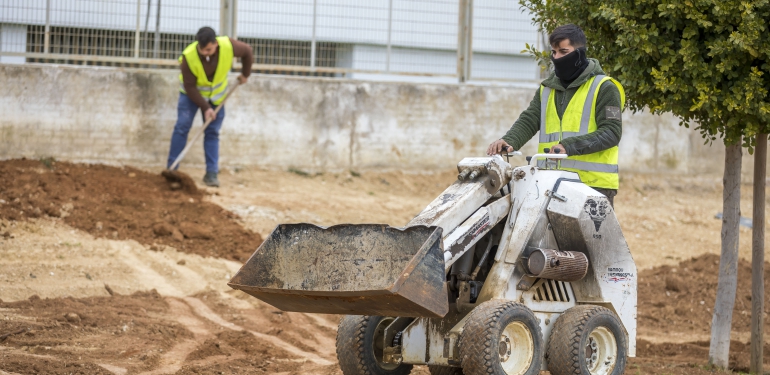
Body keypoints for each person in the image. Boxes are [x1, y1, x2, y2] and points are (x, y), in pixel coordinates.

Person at [487, 24, 625, 206]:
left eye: (563, 51)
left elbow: (611, 132)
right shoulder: (547, 88)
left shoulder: (604, 87)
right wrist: (509, 140)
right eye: (554, 52)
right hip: (549, 183)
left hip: (592, 186)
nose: (557, 58)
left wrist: (568, 146)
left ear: (580, 53)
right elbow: (530, 118)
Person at [167, 26, 253, 187]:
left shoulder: (228, 46)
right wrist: (206, 108)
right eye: (202, 49)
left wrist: (245, 74)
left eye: (208, 50)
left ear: (216, 44)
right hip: (191, 97)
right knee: (182, 127)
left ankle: (211, 173)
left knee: (212, 132)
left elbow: (248, 51)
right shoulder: (189, 57)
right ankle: (172, 170)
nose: (204, 53)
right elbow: (190, 87)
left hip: (217, 97)